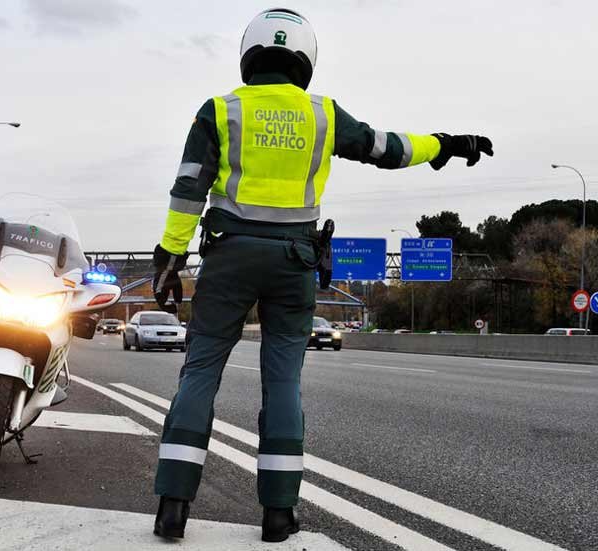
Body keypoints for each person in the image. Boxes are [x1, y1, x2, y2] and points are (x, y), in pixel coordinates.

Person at [150, 7, 493, 542]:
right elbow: (387, 147)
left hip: (228, 259)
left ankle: (174, 505)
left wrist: (169, 262)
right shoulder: (323, 114)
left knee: (200, 374)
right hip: (294, 265)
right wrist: (446, 144)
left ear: (249, 55)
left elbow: (188, 188)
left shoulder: (219, 110)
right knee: (282, 382)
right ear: (305, 59)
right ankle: (279, 514)